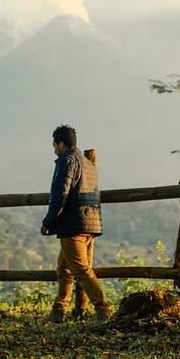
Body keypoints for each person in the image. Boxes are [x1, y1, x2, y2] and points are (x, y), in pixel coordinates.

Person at [41, 125, 112, 323]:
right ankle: (58, 311)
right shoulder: (87, 163)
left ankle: (103, 309)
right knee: (64, 269)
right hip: (90, 223)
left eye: (55, 145)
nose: (54, 150)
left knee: (81, 270)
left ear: (61, 144)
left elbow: (60, 194)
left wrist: (49, 221)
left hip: (73, 225)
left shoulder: (67, 161)